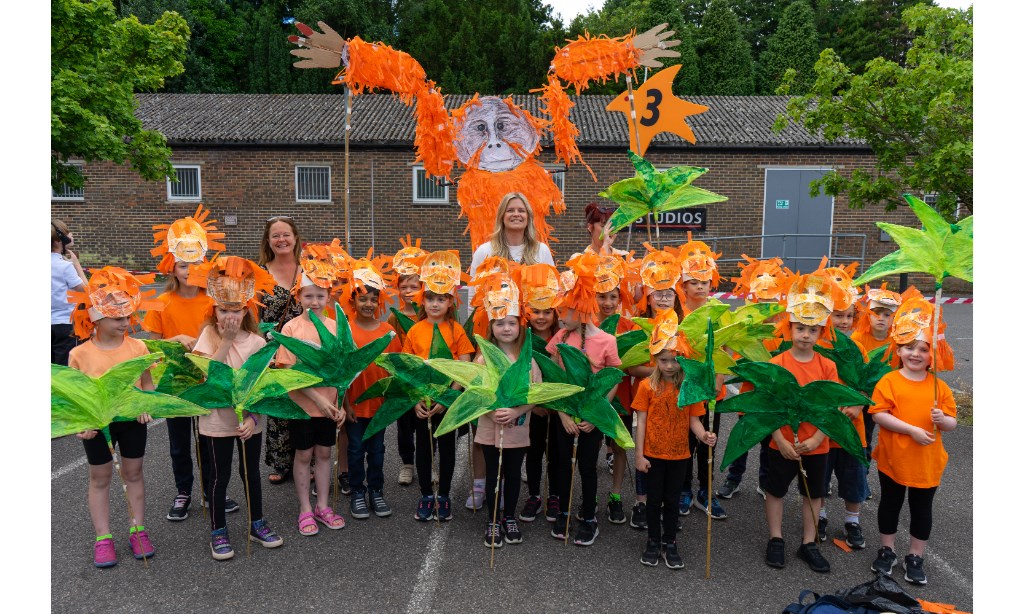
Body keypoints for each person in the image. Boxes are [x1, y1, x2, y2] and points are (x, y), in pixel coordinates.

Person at [68, 266, 163, 568]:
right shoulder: (80, 354)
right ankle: (103, 537)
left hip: (132, 420)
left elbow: (146, 380)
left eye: (128, 316)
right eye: (118, 317)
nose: (126, 322)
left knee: (133, 473)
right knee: (100, 477)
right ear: (97, 317)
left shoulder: (138, 347)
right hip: (98, 424)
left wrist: (145, 403)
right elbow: (74, 396)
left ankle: (138, 529)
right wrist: (81, 424)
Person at [190, 256, 284, 560]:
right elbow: (208, 376)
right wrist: (226, 340)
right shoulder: (208, 336)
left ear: (247, 310)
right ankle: (218, 529)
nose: (229, 316)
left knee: (250, 473)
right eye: (223, 310)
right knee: (220, 476)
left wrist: (254, 418)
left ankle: (256, 522)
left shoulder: (257, 343)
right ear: (213, 310)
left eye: (236, 310)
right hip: (216, 422)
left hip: (248, 423)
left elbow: (260, 388)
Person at [143, 206, 224, 522]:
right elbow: (147, 346)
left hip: (207, 379)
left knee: (209, 440)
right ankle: (184, 492)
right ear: (171, 267)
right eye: (181, 264)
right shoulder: (161, 303)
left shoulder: (213, 299)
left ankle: (211, 491)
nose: (188, 269)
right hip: (174, 381)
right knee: (178, 443)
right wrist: (173, 339)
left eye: (194, 263)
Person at [869, 297, 957, 586]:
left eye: (923, 348)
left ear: (933, 354)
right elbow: (879, 414)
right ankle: (887, 549)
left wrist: (941, 420)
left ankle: (916, 556)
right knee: (890, 504)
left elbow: (952, 422)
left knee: (921, 509)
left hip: (926, 462)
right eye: (909, 347)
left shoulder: (939, 387)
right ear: (898, 349)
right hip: (894, 458)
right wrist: (911, 430)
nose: (916, 353)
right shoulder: (890, 381)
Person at [762, 272, 844, 574]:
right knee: (776, 489)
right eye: (800, 328)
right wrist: (781, 440)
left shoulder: (828, 366)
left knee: (814, 493)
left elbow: (831, 406)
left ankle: (809, 542)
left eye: (812, 329)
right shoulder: (777, 364)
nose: (805, 334)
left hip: (816, 445)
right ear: (790, 328)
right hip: (781, 442)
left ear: (821, 333)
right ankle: (776, 537)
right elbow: (767, 407)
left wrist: (818, 438)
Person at [547, 252, 621, 546]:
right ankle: (564, 510)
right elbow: (552, 377)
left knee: (588, 467)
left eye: (565, 309)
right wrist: (563, 414)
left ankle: (588, 516)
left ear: (581, 308)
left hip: (591, 418)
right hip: (564, 417)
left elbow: (613, 378)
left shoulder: (606, 340)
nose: (560, 314)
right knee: (562, 465)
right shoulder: (561, 338)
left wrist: (595, 413)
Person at [634, 309, 716, 569]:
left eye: (675, 360)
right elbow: (642, 422)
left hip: (680, 455)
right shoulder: (647, 386)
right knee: (653, 500)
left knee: (672, 501)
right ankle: (652, 540)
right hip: (653, 455)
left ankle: (670, 541)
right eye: (664, 360)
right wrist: (638, 455)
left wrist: (704, 435)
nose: (670, 365)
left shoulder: (688, 388)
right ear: (655, 358)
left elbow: (694, 420)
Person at [275, 246, 348, 535]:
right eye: (308, 295)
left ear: (329, 297)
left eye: (320, 295)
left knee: (324, 455)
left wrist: (340, 403)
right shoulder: (292, 329)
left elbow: (345, 371)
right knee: (303, 455)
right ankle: (305, 507)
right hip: (303, 408)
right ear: (298, 297)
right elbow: (289, 372)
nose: (314, 301)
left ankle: (324, 505)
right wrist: (320, 398)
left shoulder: (336, 326)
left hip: (331, 407)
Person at [403, 251, 475, 521]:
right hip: (422, 402)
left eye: (441, 299)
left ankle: (443, 495)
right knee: (423, 447)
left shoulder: (456, 330)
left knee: (446, 448)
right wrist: (416, 400)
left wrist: (447, 398)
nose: (435, 304)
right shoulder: (414, 330)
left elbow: (465, 367)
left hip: (447, 404)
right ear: (424, 300)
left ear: (450, 302)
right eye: (430, 298)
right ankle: (425, 494)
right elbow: (407, 369)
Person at [717, 256, 791, 501]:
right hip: (751, 395)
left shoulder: (785, 330)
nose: (767, 305)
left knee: (769, 441)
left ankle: (764, 481)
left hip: (775, 398)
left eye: (771, 300)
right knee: (744, 437)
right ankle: (734, 479)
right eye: (762, 300)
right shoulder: (747, 328)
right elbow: (736, 361)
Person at [474, 267, 537, 547]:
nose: (506, 328)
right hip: (489, 428)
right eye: (500, 324)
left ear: (519, 326)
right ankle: (492, 519)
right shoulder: (482, 360)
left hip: (517, 429)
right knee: (493, 474)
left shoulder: (528, 360)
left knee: (512, 474)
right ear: (491, 328)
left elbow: (535, 393)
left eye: (511, 322)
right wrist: (493, 413)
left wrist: (516, 412)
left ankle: (509, 516)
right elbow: (477, 394)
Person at [341, 252, 403, 519]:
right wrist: (344, 405)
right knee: (355, 450)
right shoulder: (345, 330)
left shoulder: (387, 333)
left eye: (373, 299)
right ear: (352, 300)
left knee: (377, 451)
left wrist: (390, 402)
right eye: (362, 298)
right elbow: (341, 373)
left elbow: (395, 370)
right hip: (354, 406)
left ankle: (376, 491)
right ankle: (357, 491)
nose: (368, 303)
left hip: (379, 407)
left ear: (380, 302)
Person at [671, 236, 728, 520]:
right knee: (684, 442)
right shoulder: (676, 313)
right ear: (684, 285)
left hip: (710, 391)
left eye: (705, 281)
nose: (700, 286)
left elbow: (728, 347)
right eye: (694, 282)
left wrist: (719, 380)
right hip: (682, 389)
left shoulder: (718, 313)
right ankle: (683, 490)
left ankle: (706, 491)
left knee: (708, 440)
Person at [816, 263, 870, 549]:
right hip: (823, 429)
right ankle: (820, 515)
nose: (845, 321)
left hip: (852, 428)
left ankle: (852, 520)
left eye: (849, 316)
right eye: (838, 315)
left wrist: (859, 406)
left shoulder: (858, 348)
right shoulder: (818, 346)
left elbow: (867, 382)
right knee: (820, 477)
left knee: (854, 480)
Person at [593, 252, 645, 527]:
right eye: (602, 296)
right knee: (590, 447)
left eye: (613, 296)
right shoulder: (586, 325)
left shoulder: (629, 327)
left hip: (621, 397)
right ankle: (588, 497)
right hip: (590, 399)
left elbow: (636, 364)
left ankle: (615, 495)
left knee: (620, 445)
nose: (608, 302)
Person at [258, 216, 306, 486]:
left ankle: (306, 458)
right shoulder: (259, 272)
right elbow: (253, 313)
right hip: (272, 347)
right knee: (279, 404)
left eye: (286, 234)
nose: (281, 240)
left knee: (305, 400)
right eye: (275, 235)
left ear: (295, 238)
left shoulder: (308, 269)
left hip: (305, 347)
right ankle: (280, 461)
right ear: (268, 241)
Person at [518, 263, 563, 523]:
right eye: (536, 311)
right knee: (533, 451)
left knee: (556, 454)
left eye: (547, 311)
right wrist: (534, 405)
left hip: (557, 407)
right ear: (528, 312)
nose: (542, 316)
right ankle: (534, 495)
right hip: (532, 407)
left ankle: (554, 495)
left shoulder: (561, 338)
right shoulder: (522, 339)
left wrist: (553, 403)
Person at [388, 235, 428, 487]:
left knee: (427, 422)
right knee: (405, 425)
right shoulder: (395, 318)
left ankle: (428, 462)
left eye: (414, 287)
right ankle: (407, 463)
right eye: (404, 287)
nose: (409, 292)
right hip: (404, 379)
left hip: (426, 379)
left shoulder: (429, 314)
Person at [51, 219, 88, 366]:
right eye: (67, 233)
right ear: (59, 241)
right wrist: (76, 265)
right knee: (63, 372)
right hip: (64, 325)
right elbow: (86, 291)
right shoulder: (65, 266)